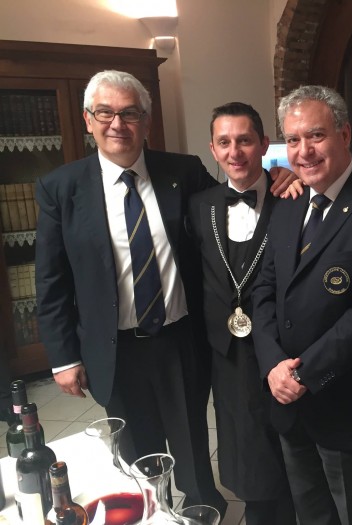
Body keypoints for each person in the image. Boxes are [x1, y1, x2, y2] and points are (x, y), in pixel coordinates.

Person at [33, 70, 228, 514]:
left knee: (193, 445)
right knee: (138, 454)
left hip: (180, 340)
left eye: (130, 113)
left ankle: (202, 512)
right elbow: (51, 280)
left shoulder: (184, 172)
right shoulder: (60, 188)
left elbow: (230, 208)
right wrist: (63, 357)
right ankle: (152, 514)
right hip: (114, 349)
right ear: (88, 119)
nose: (117, 123)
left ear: (146, 120)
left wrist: (276, 181)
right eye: (105, 112)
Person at [252, 85, 352, 525]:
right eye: (293, 139)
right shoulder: (287, 205)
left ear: (345, 134)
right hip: (289, 402)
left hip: (351, 406)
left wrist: (301, 374)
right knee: (313, 515)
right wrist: (272, 365)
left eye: (316, 135)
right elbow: (264, 290)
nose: (303, 151)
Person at [188, 102, 297, 525]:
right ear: (213, 150)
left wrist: (291, 175)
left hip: (283, 345)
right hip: (226, 351)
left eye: (245, 140)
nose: (235, 152)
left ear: (264, 144)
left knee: (286, 438)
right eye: (224, 142)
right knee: (242, 439)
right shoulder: (199, 206)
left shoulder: (293, 197)